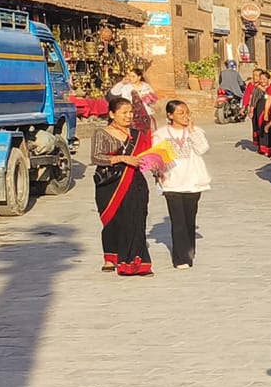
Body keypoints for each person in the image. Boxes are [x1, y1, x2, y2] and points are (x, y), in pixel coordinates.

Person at [90, 96, 154, 276]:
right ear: (112, 114)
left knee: (136, 219)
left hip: (135, 181)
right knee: (114, 220)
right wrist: (122, 158)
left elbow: (145, 155)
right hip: (110, 182)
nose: (128, 116)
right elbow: (96, 157)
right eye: (124, 112)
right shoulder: (102, 133)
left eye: (130, 112)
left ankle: (136, 262)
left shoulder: (137, 135)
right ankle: (111, 258)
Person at [152, 100, 210, 270]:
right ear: (170, 115)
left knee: (189, 218)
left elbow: (203, 149)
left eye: (187, 113)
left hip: (193, 181)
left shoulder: (196, 132)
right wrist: (157, 172)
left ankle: (189, 248)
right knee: (178, 221)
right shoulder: (161, 134)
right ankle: (181, 257)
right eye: (180, 113)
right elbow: (155, 157)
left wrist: (191, 130)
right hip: (172, 182)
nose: (185, 116)